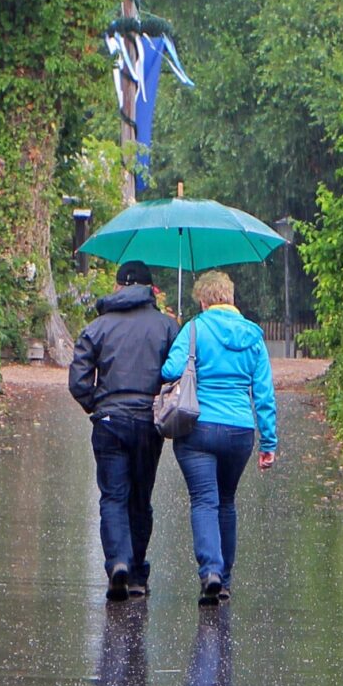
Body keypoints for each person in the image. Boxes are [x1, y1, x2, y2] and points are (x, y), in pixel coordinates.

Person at [159, 270, 278, 606]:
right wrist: (268, 443)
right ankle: (223, 580)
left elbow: (169, 371)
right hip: (240, 431)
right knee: (226, 501)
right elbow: (264, 394)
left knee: (204, 500)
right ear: (231, 298)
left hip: (197, 427)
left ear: (203, 300)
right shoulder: (253, 337)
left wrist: (186, 348)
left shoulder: (194, 329)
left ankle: (210, 571)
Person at [67, 259, 177, 598]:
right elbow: (177, 376)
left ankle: (118, 561)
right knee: (140, 499)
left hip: (109, 420)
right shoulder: (166, 327)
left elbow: (78, 380)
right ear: (149, 289)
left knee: (113, 495)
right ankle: (138, 576)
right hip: (148, 420)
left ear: (118, 286)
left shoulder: (97, 327)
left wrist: (96, 406)